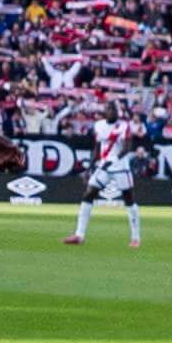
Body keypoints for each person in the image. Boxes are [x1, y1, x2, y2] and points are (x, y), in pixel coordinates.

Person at [67, 104, 143, 247]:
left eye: (115, 110)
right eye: (110, 109)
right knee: (88, 194)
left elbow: (127, 147)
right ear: (105, 112)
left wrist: (114, 159)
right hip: (104, 166)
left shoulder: (123, 126)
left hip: (121, 167)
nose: (113, 112)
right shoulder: (99, 125)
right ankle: (79, 235)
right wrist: (90, 167)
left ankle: (135, 237)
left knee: (129, 199)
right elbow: (97, 147)